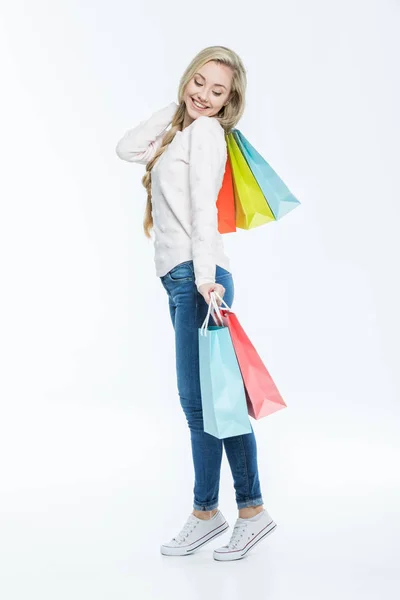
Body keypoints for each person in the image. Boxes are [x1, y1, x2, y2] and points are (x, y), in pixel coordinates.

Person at [115, 45, 277, 561]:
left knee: (214, 402)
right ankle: (208, 514)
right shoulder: (182, 132)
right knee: (201, 404)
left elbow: (205, 208)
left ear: (230, 102)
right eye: (199, 82)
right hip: (182, 280)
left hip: (197, 279)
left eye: (217, 91)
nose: (205, 96)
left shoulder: (207, 135)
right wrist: (177, 108)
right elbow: (126, 147)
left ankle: (249, 511)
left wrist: (207, 280)